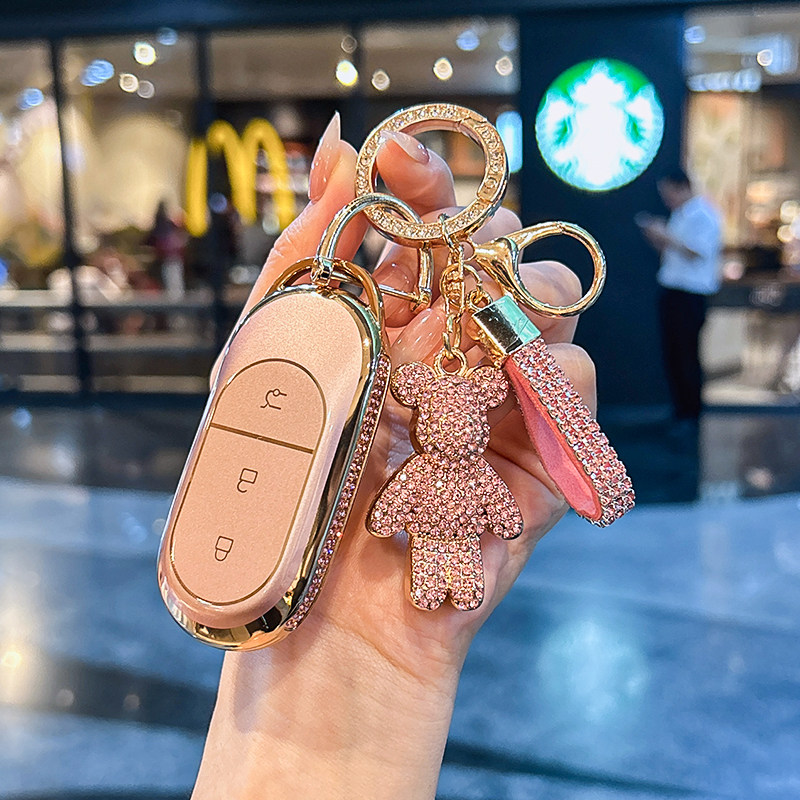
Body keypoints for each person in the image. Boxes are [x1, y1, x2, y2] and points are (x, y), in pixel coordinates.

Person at [191, 113, 596, 799]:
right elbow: (391, 510)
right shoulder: (407, 442)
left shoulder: (447, 450)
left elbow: (461, 509)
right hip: (362, 549)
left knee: (451, 562)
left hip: (427, 571)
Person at [637, 169, 722, 435]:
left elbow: (697, 252)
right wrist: (657, 238)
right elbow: (674, 253)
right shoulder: (681, 214)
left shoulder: (704, 214)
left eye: (669, 193)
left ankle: (691, 413)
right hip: (673, 290)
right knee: (673, 353)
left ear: (682, 187)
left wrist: (665, 236)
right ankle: (679, 410)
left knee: (687, 354)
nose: (667, 200)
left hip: (691, 294)